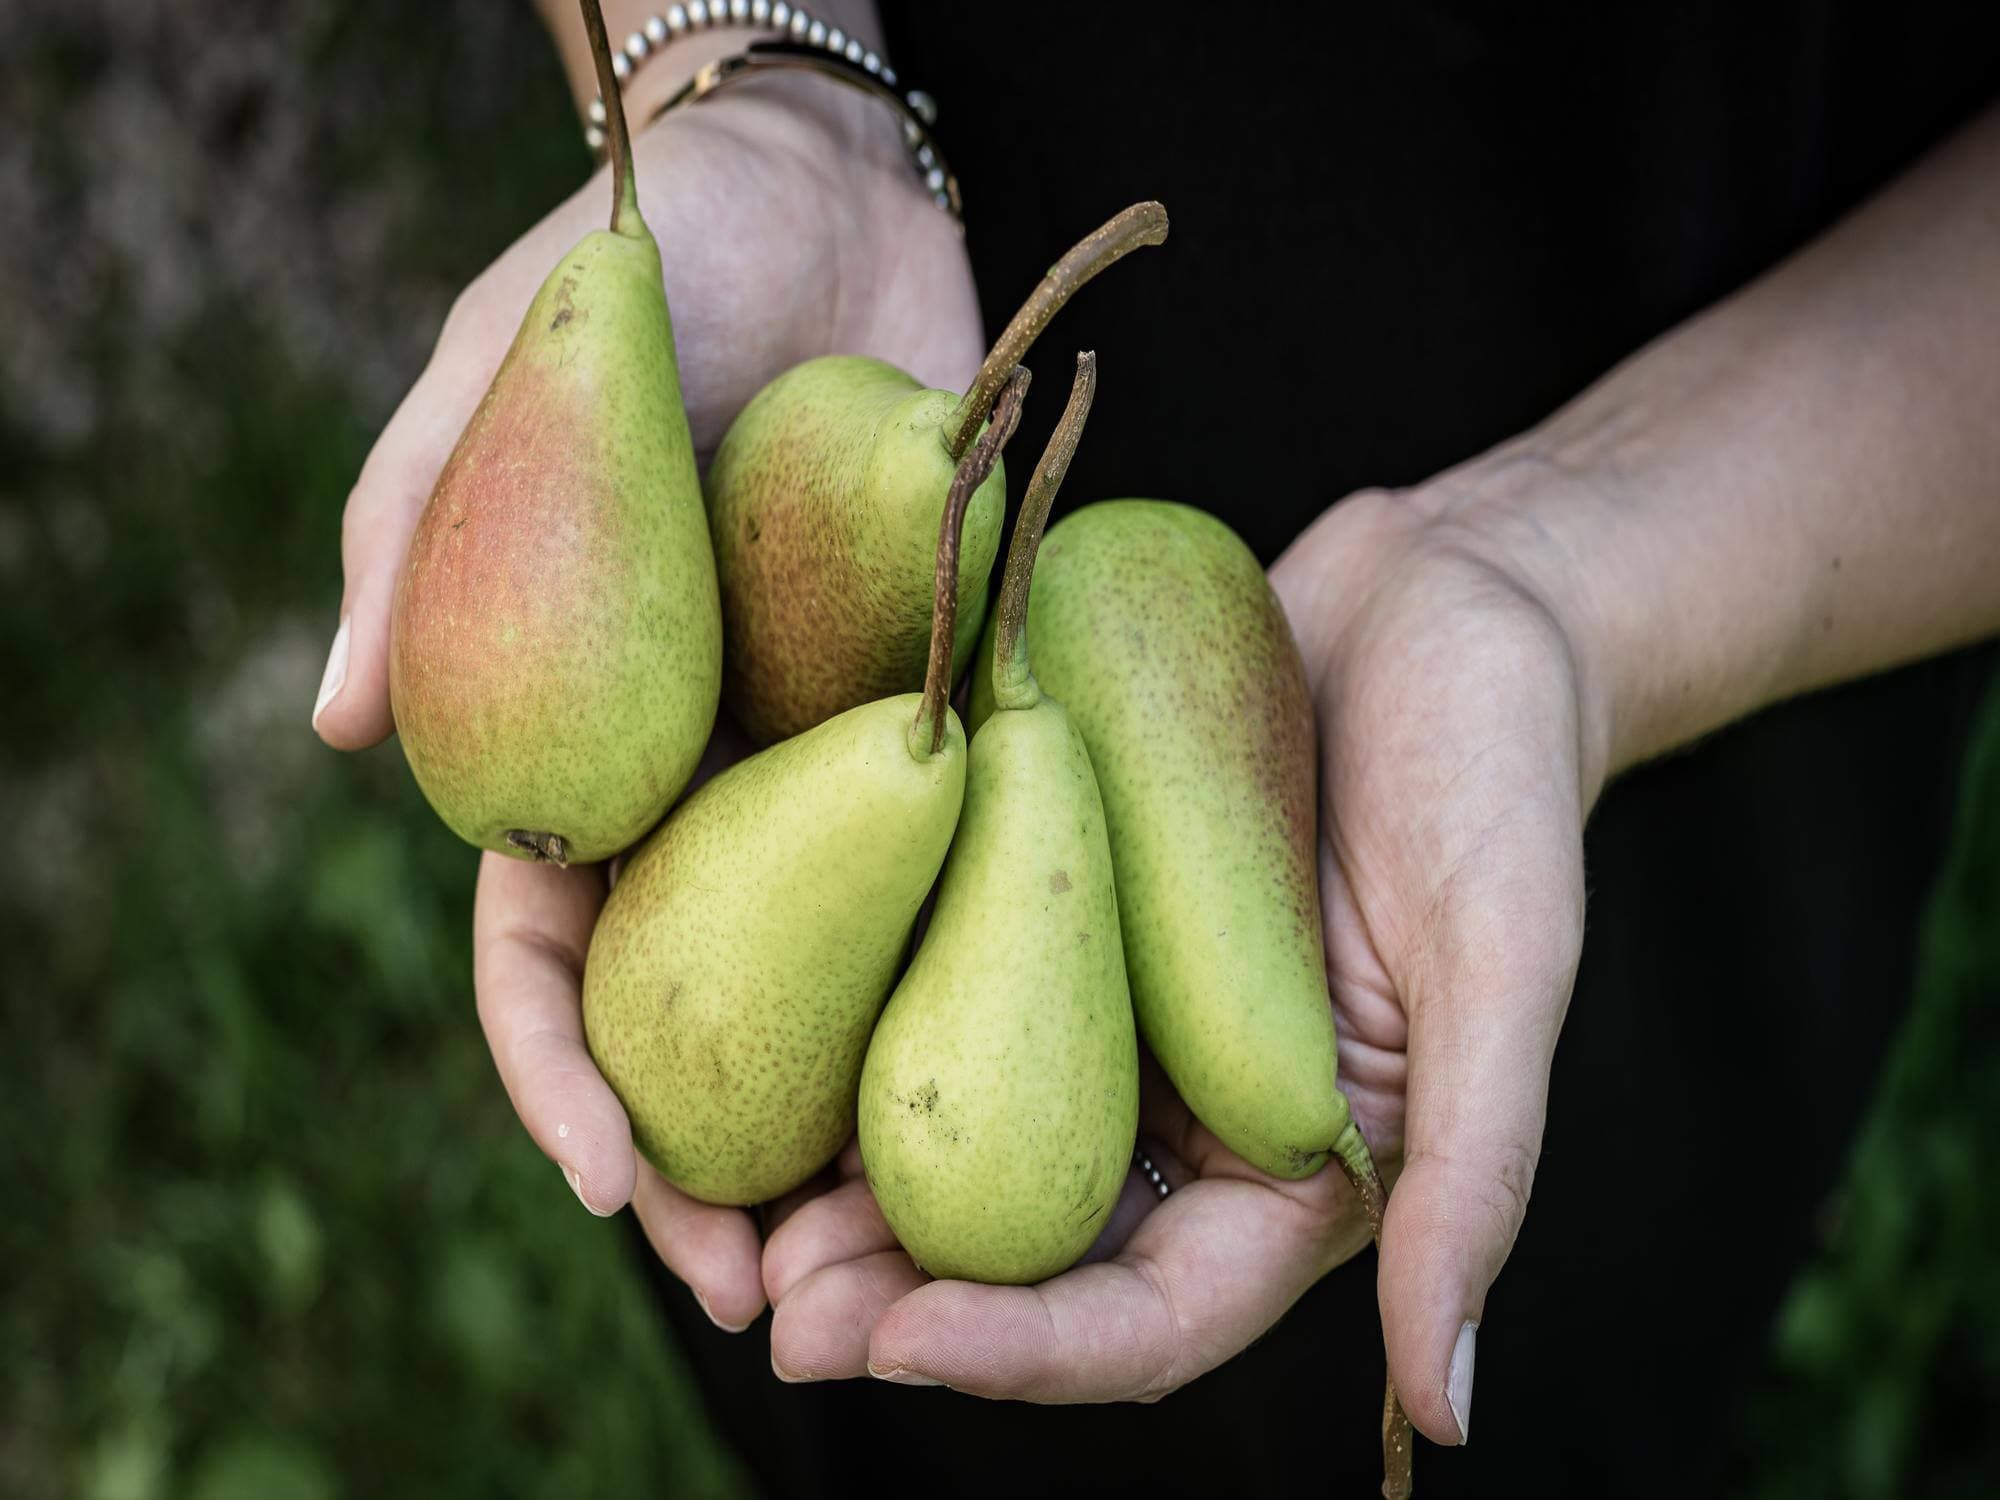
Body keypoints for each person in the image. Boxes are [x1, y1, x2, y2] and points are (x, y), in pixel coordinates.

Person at [312, 3, 2000, 1491]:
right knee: (861, 1390)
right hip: (915, 236)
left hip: (1763, 510)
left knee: (1565, 1305)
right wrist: (751, 71)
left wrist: (1566, 594)